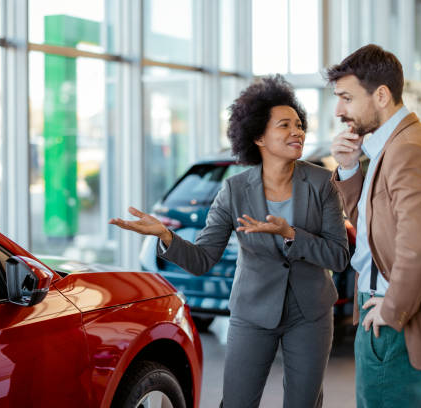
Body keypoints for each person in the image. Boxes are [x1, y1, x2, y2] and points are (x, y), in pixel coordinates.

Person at [110, 75, 349, 408]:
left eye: (298, 124)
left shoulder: (321, 183)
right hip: (252, 311)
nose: (297, 132)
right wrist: (166, 236)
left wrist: (290, 234)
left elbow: (338, 256)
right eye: (284, 125)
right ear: (258, 137)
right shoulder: (234, 190)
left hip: (309, 313)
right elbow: (203, 258)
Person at [327, 44, 421, 407]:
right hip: (391, 312)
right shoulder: (394, 144)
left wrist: (391, 310)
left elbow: (420, 248)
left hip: (395, 321)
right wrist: (347, 167)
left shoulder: (408, 149)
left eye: (346, 97)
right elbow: (376, 233)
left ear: (380, 95)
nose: (338, 110)